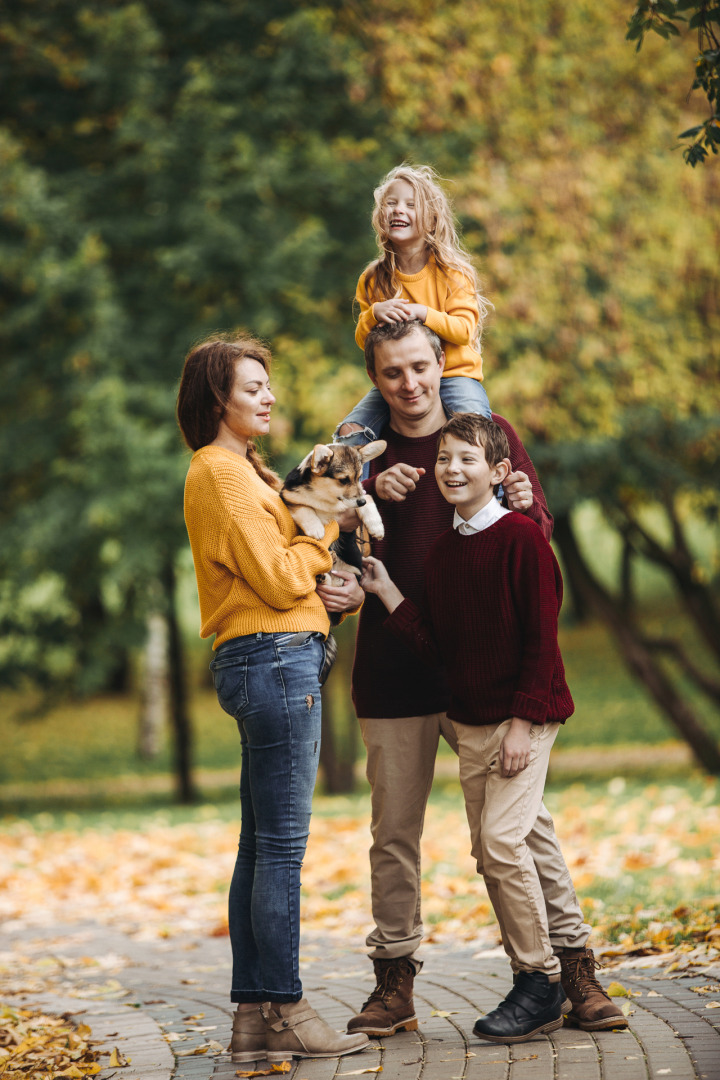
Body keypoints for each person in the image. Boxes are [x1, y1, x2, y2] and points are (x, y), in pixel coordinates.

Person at [339, 319, 625, 1039]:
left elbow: (534, 528)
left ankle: (571, 971)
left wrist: (528, 506)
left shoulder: (485, 433)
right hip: (399, 667)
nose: (408, 385)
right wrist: (371, 494)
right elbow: (332, 545)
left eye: (418, 367)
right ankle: (394, 981)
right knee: (394, 836)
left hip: (492, 683)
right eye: (391, 374)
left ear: (442, 363)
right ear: (374, 381)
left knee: (523, 834)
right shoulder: (359, 455)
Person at [362, 412, 590, 1042]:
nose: (452, 469)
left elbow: (542, 643)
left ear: (498, 472)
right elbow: (437, 646)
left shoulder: (521, 540)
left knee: (501, 842)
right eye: (444, 460)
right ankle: (538, 978)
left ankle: (540, 980)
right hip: (470, 723)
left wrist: (522, 723)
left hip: (524, 720)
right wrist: (386, 593)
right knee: (494, 852)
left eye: (467, 459)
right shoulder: (443, 552)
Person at [178, 334, 369, 1064]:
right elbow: (281, 577)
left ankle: (254, 1019)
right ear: (216, 397)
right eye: (253, 385)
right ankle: (286, 1004)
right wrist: (324, 538)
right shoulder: (221, 475)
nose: (270, 395)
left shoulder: (243, 474)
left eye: (268, 384)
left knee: (260, 847)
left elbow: (287, 566)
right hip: (274, 658)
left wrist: (321, 559)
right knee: (280, 850)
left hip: (270, 659)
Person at [334, 164, 492, 448]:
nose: (397, 210)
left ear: (431, 220)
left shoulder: (452, 273)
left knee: (477, 435)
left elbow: (463, 331)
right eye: (390, 204)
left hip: (455, 376)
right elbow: (364, 343)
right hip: (401, 381)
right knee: (351, 431)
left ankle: (493, 492)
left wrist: (423, 313)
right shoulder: (373, 279)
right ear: (381, 217)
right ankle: (357, 490)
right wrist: (373, 315)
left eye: (410, 205)